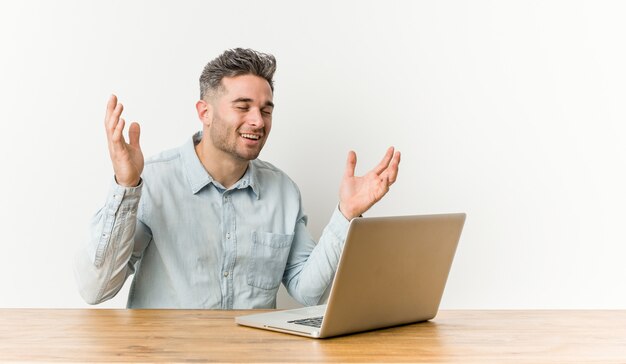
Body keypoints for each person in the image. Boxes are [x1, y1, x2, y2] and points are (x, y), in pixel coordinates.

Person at [74, 48, 401, 309]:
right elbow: (95, 289)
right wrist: (126, 186)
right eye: (243, 107)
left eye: (266, 109)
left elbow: (308, 292)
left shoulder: (283, 192)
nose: (258, 121)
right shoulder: (154, 182)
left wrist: (346, 214)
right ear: (205, 112)